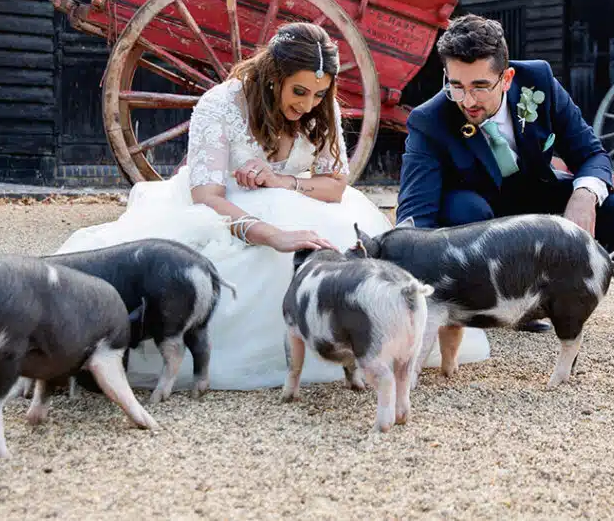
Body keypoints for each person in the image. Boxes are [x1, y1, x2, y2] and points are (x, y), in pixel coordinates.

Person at [54, 22, 491, 391]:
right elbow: (206, 198)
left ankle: (350, 345)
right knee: (236, 273)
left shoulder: (322, 112)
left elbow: (335, 186)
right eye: (299, 91)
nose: (307, 105)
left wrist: (281, 180)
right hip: (222, 215)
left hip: (303, 201)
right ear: (272, 74)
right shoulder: (221, 105)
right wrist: (271, 234)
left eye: (319, 95)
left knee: (344, 256)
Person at [395, 14, 614, 333]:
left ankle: (544, 300)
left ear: (507, 78)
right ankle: (483, 309)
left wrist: (584, 195)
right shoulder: (428, 120)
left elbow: (591, 152)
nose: (467, 100)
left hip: (534, 200)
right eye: (456, 86)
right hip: (475, 222)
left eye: (480, 86)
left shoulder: (539, 80)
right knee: (468, 209)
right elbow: (416, 215)